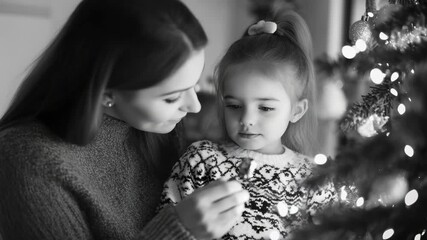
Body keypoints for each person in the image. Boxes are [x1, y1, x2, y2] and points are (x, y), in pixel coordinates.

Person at [0, 0, 249, 239]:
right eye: (171, 98)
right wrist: (178, 231)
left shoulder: (157, 122)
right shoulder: (28, 162)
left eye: (194, 85)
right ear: (107, 92)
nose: (193, 106)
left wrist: (263, 59)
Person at [159, 11, 338, 240]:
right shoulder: (200, 161)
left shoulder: (314, 179)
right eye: (234, 105)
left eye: (265, 108)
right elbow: (165, 228)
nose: (246, 120)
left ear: (297, 110)